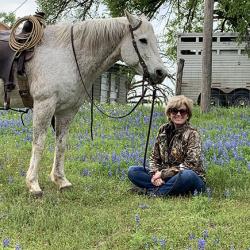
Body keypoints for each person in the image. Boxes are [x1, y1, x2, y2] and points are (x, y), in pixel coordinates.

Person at [128, 95, 206, 196]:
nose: (178, 114)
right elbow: (154, 157)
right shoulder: (163, 130)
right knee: (133, 171)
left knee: (188, 175)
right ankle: (167, 189)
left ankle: (154, 193)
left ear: (188, 114)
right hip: (166, 176)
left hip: (189, 178)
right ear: (169, 113)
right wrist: (155, 174)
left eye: (182, 111)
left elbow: (190, 165)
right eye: (174, 111)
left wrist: (163, 174)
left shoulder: (192, 134)